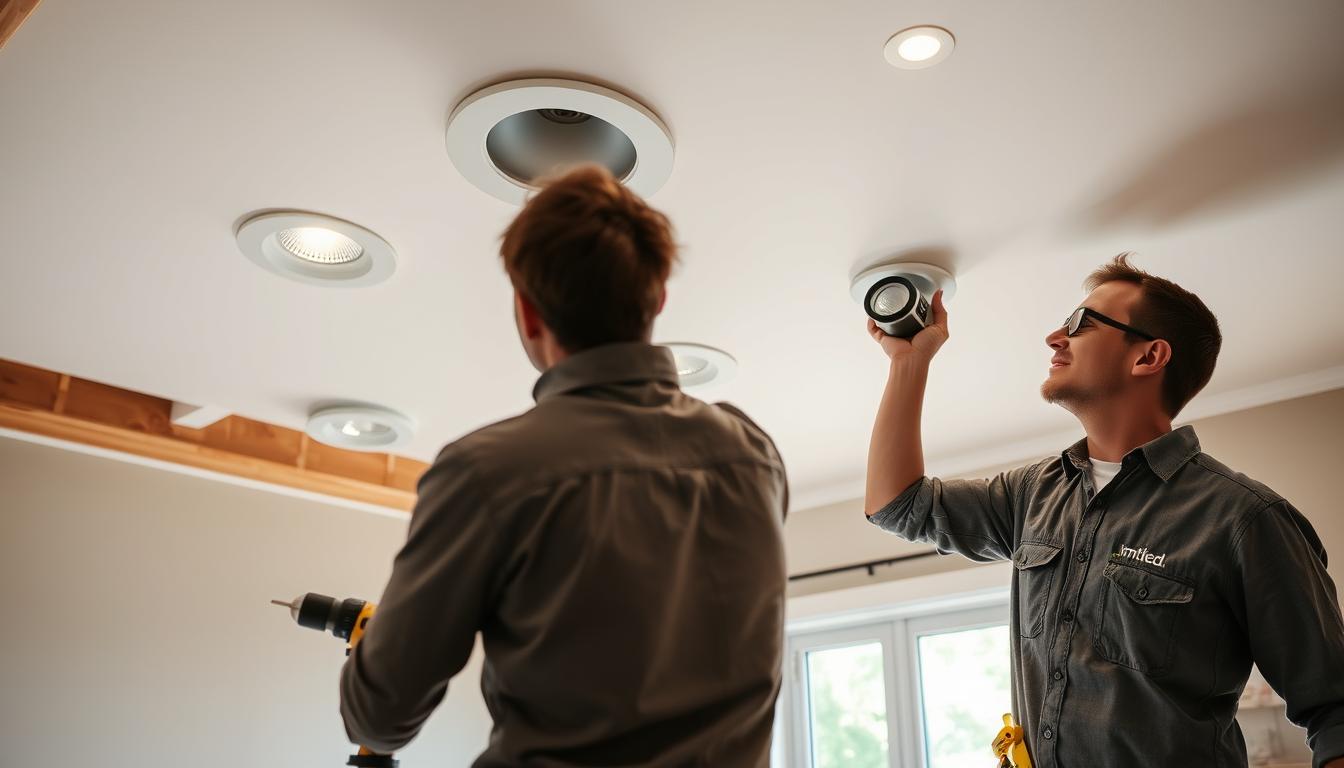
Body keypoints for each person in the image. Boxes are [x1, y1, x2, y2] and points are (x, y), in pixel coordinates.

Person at [340, 165, 789, 766]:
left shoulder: (485, 473)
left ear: (527, 313)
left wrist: (371, 656)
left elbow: (381, 716)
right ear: (657, 299)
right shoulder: (754, 455)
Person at [863, 254, 1344, 767]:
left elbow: (1335, 713)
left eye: (1080, 324)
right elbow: (899, 505)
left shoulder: (1245, 519)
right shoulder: (1033, 494)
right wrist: (907, 362)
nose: (1054, 336)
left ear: (1148, 357)